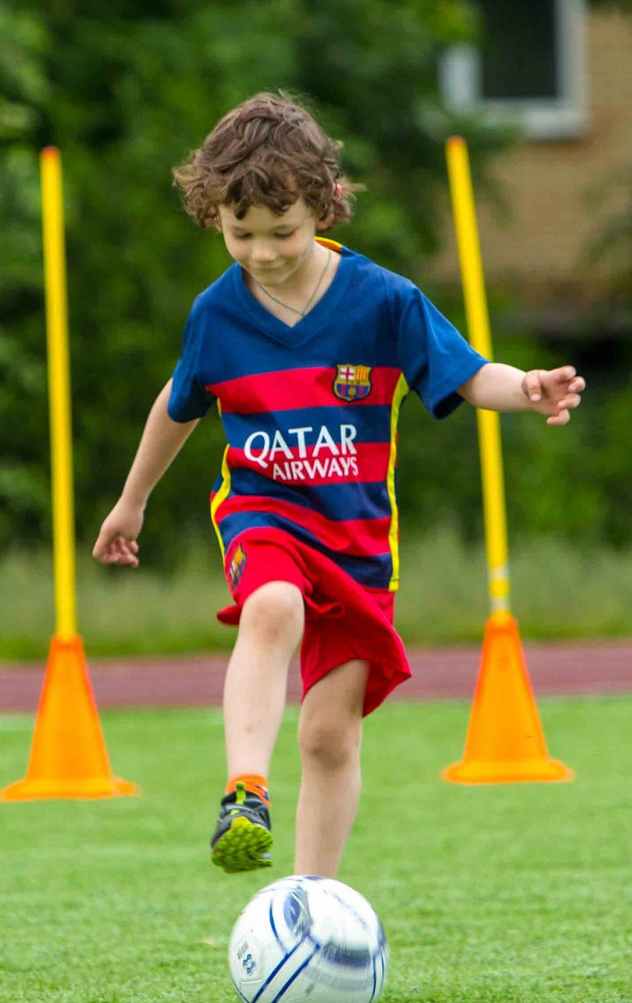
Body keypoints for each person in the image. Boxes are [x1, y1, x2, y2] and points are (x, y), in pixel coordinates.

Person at [93, 93, 586, 878]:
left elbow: (467, 373)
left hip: (356, 544)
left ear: (322, 206)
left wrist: (526, 387)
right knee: (272, 605)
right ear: (213, 214)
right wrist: (132, 501)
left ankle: (311, 896)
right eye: (240, 232)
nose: (261, 252)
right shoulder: (216, 314)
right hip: (263, 511)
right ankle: (245, 791)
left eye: (281, 231)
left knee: (329, 733)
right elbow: (178, 404)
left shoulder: (383, 301)